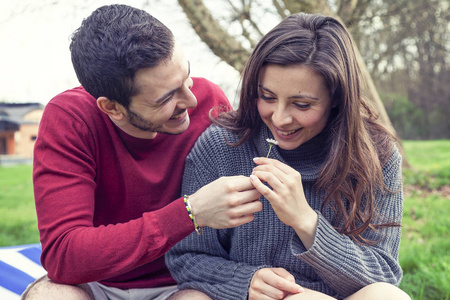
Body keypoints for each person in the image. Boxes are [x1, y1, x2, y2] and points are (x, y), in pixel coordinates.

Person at [24, 4, 263, 300]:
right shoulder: (70, 119)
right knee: (50, 296)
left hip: (185, 281)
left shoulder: (209, 100)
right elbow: (64, 256)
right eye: (166, 97)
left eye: (186, 77)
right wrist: (191, 212)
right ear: (112, 107)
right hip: (96, 283)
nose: (190, 100)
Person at [166, 13, 411, 300]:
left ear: (337, 99)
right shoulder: (221, 147)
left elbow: (383, 276)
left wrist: (305, 220)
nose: (280, 118)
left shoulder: (376, 156)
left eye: (302, 104)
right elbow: (186, 257)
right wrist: (245, 281)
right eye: (267, 97)